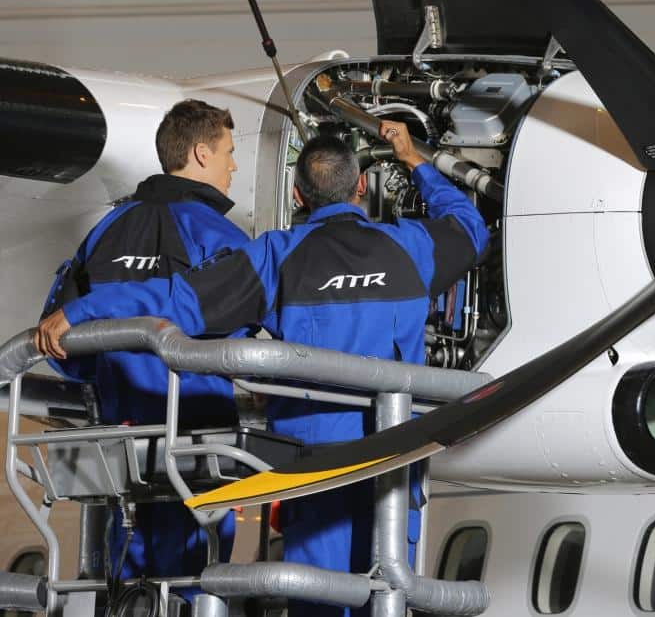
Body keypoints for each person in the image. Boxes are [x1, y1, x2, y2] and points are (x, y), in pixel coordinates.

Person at [37, 120, 490, 616]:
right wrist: (414, 160)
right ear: (360, 186)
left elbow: (177, 300)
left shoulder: (278, 256)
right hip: (395, 470)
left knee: (318, 596)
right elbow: (467, 224)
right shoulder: (412, 247)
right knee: (388, 595)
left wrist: (82, 310)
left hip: (317, 472)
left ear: (298, 194)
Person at [39, 99, 250, 602]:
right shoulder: (220, 233)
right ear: (201, 154)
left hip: (123, 440)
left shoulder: (106, 229)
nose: (234, 165)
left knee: (127, 579)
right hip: (199, 441)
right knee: (198, 581)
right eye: (228, 152)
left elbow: (56, 338)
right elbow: (245, 326)